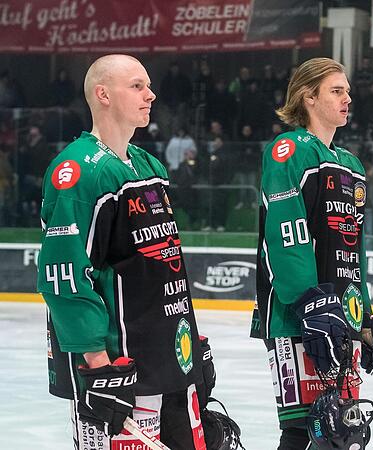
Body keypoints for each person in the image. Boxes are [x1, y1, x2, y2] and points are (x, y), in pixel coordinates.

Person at [37, 54, 211, 449]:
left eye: (148, 86)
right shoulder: (80, 170)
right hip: (120, 368)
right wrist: (97, 364)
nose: (150, 94)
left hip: (171, 360)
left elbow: (162, 264)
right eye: (136, 86)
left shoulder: (149, 165)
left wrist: (192, 345)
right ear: (103, 94)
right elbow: (63, 273)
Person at [249, 57, 373, 450]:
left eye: (347, 90)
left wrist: (362, 314)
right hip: (297, 317)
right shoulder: (288, 150)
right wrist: (312, 304)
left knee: (342, 434)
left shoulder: (352, 165)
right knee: (305, 433)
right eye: (336, 90)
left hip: (339, 317)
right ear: (308, 97)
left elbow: (352, 250)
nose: (348, 98)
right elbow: (286, 235)